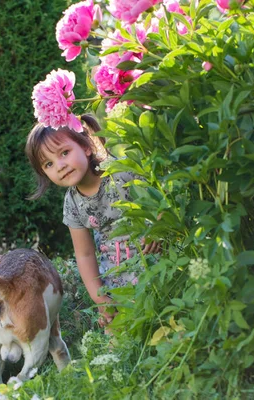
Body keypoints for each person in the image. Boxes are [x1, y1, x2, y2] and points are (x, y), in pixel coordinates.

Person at [25, 114, 160, 327]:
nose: (59, 166)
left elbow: (159, 199)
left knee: (162, 316)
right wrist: (100, 299)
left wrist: (158, 229)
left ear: (86, 146)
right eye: (49, 164)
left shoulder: (121, 173)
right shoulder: (72, 203)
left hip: (153, 260)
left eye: (65, 153)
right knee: (120, 335)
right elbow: (85, 254)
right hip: (115, 277)